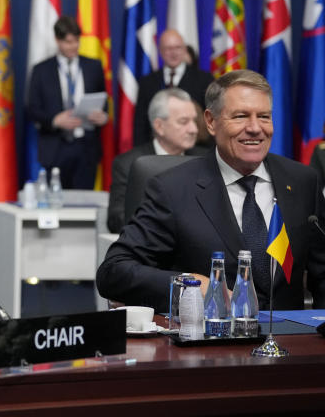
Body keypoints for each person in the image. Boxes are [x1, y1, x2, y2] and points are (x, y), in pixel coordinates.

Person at [97, 70, 325, 312]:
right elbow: (114, 271)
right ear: (210, 121)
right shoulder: (173, 189)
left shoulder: (302, 181)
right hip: (210, 343)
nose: (255, 128)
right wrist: (189, 285)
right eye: (240, 116)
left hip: (289, 343)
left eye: (264, 116)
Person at [106, 88, 206, 233]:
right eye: (184, 122)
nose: (194, 129)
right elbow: (117, 219)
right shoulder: (129, 163)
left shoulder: (206, 160)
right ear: (159, 126)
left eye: (194, 121)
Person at [26, 16, 108, 189]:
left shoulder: (93, 66)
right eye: (68, 42)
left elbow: (104, 101)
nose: (73, 46)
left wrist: (103, 117)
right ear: (57, 40)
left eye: (76, 41)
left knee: (84, 206)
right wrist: (55, 120)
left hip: (86, 148)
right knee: (54, 205)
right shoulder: (41, 70)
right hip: (55, 148)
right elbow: (31, 109)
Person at [133, 29, 213, 146]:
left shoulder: (204, 79)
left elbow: (211, 118)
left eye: (178, 48)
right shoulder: (147, 82)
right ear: (160, 51)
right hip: (155, 153)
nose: (173, 53)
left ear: (185, 50)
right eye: (168, 49)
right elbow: (140, 123)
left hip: (196, 149)